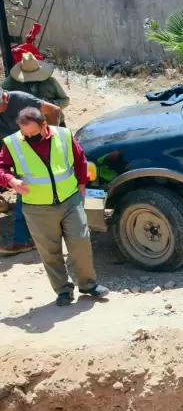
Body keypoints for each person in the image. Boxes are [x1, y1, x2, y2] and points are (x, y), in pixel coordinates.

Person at [0, 107, 109, 306]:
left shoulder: (63, 135)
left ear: (44, 125)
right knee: (50, 251)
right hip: (37, 207)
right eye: (25, 133)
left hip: (70, 199)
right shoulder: (13, 142)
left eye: (33, 132)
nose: (29, 137)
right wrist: (11, 181)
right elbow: (2, 167)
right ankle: (63, 291)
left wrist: (82, 184)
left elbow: (79, 159)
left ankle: (88, 285)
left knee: (81, 242)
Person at [0, 90, 63, 257]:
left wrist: (52, 139)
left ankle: (24, 240)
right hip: (20, 149)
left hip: (40, 147)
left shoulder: (21, 99)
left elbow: (54, 110)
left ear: (5, 98)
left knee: (28, 190)